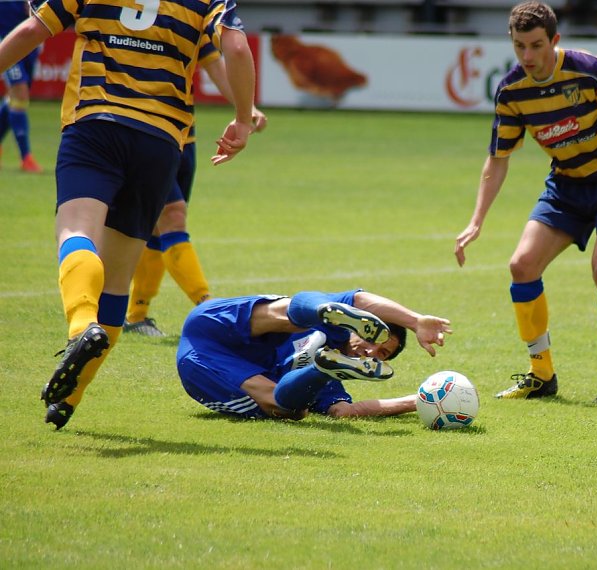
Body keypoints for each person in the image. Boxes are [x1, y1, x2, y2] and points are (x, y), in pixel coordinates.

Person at [0, 0, 256, 429]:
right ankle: (69, 399)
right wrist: (243, 120)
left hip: (95, 125)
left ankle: (81, 324)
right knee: (118, 281)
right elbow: (237, 46)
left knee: (76, 231)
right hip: (159, 142)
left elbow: (32, 32)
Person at [454, 1, 597, 405]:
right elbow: (498, 158)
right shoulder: (511, 91)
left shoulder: (589, 71)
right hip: (567, 187)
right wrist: (477, 220)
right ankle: (541, 375)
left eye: (536, 45)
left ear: (554, 41)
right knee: (521, 266)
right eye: (520, 46)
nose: (528, 56)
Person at [124, 56, 269, 337]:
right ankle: (210, 307)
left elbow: (214, 64)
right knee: (173, 215)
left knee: (159, 225)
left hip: (184, 133)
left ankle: (136, 316)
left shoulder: (192, 14)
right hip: (145, 129)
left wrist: (245, 108)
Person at [176, 290, 452, 422]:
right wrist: (415, 321)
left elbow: (343, 411)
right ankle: (322, 313)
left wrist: (414, 401)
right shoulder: (338, 332)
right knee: (286, 407)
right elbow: (358, 301)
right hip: (208, 341)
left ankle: (322, 363)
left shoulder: (335, 382)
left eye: (381, 355)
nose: (369, 352)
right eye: (372, 340)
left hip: (214, 354)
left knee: (294, 408)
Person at [0, 0, 41, 172]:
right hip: (4, 38)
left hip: (29, 40)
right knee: (20, 92)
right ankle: (26, 157)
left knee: (17, 99)